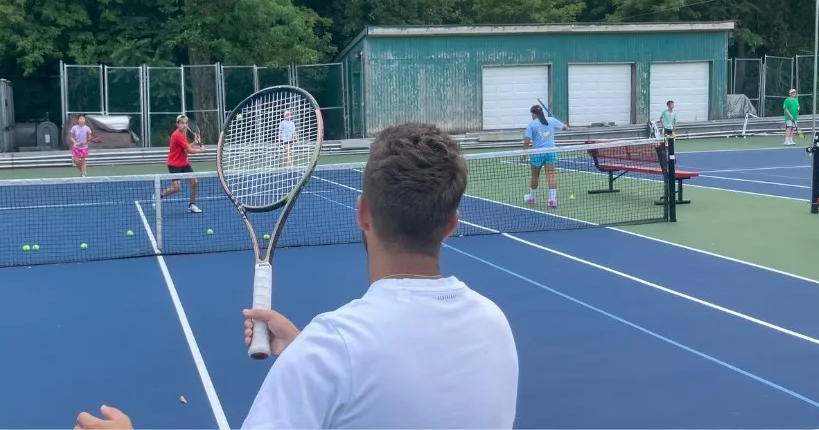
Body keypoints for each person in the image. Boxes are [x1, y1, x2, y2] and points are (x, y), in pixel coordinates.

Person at [82, 123, 517, 430]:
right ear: (452, 223)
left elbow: (356, 370)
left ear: (363, 213)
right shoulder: (493, 323)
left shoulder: (331, 350)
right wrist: (303, 350)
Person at [157, 114, 202, 213]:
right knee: (176, 188)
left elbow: (185, 149)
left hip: (184, 163)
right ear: (177, 124)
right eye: (182, 123)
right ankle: (159, 196)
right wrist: (201, 150)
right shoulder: (177, 135)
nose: (185, 125)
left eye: (186, 123)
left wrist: (194, 142)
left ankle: (192, 204)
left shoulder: (182, 134)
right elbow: (189, 151)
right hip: (174, 164)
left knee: (194, 182)